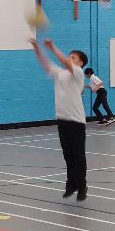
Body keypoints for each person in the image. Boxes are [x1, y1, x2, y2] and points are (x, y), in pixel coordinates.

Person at [30, 38, 88, 201]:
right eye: (69, 56)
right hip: (62, 119)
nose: (70, 59)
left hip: (76, 120)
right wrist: (37, 48)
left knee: (78, 155)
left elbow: (66, 62)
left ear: (81, 62)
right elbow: (45, 63)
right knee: (68, 155)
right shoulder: (60, 73)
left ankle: (82, 186)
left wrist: (53, 47)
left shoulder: (78, 72)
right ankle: (71, 184)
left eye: (73, 57)